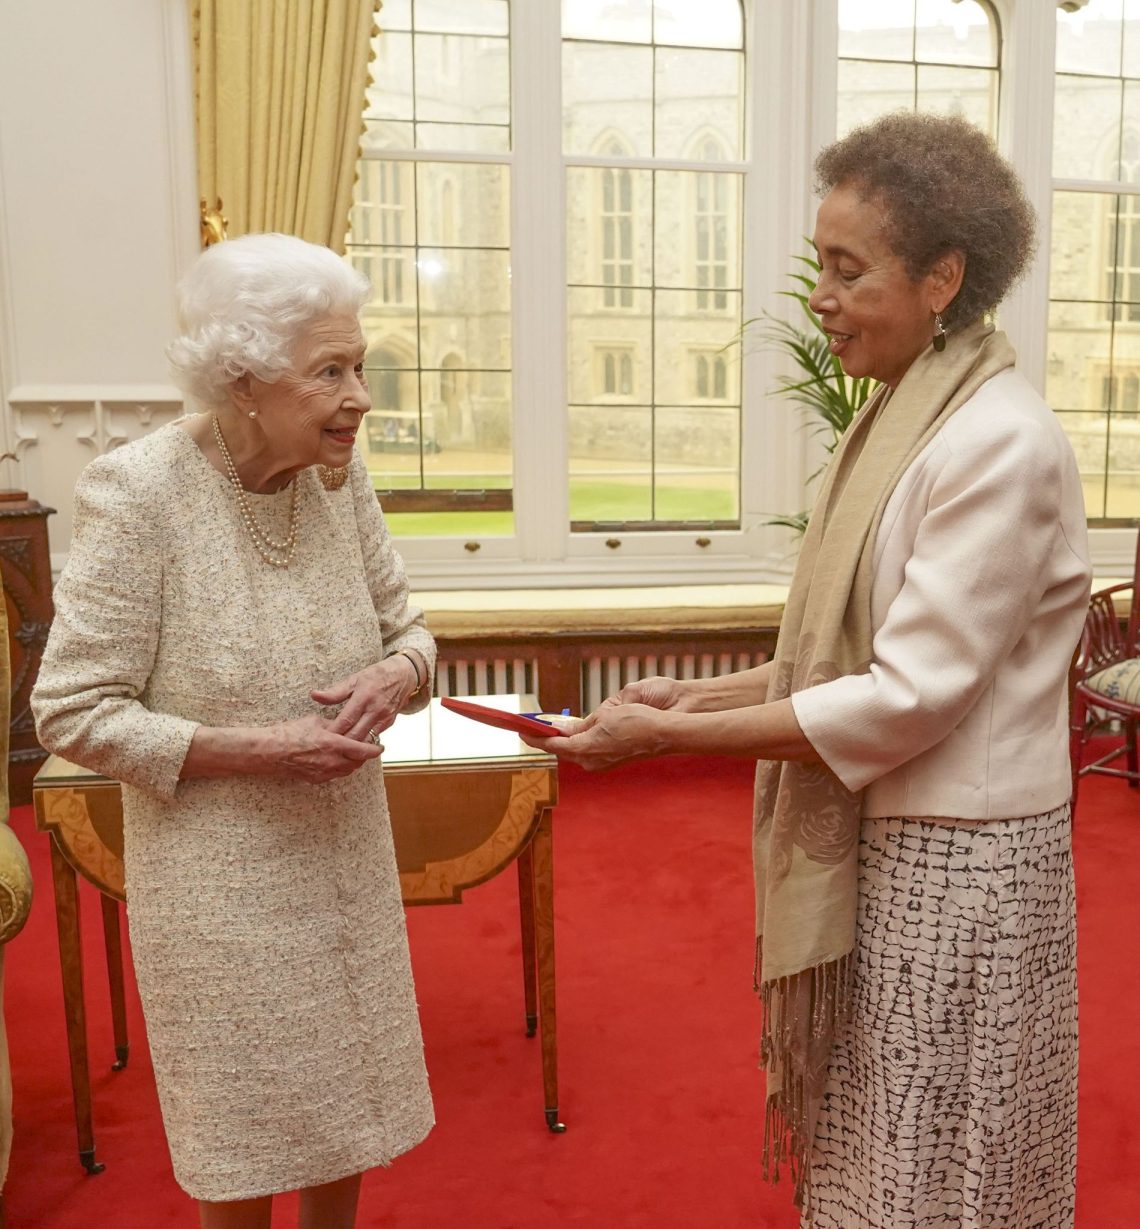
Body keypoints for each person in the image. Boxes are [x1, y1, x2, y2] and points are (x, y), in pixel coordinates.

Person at [527, 113, 1090, 1229]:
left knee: (938, 1166)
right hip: (897, 840)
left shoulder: (997, 441)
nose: (819, 297)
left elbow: (911, 693)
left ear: (944, 277)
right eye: (818, 266)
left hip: (963, 865)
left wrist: (669, 739)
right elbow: (843, 655)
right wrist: (699, 694)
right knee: (881, 1147)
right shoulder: (900, 415)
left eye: (847, 270)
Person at [32, 233, 436, 1229]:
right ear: (244, 378)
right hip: (221, 897)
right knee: (247, 1136)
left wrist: (399, 670)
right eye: (331, 371)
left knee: (349, 1116)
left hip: (343, 868)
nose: (359, 397)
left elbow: (417, 635)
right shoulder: (142, 492)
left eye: (360, 367)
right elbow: (72, 707)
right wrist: (252, 748)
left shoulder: (339, 480)